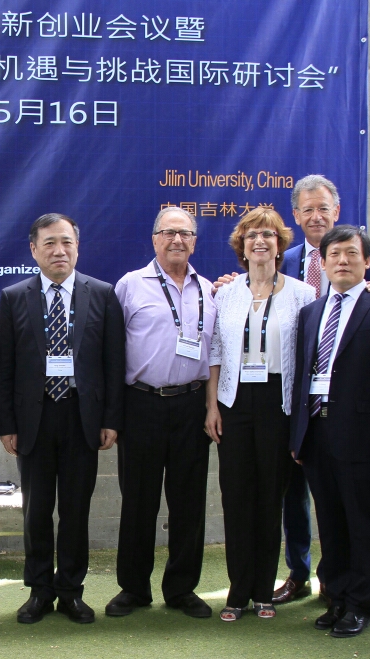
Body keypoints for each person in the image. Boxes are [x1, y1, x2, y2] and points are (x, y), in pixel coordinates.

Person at [0, 213, 125, 625]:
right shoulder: (14, 297)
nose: (59, 250)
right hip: (33, 420)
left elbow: (113, 363)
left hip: (81, 417)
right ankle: (39, 591)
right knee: (35, 511)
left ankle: (70, 591)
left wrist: (111, 418)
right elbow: (4, 366)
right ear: (34, 250)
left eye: (66, 242)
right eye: (49, 243)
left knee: (75, 510)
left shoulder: (101, 294)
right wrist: (6, 424)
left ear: (77, 247)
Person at [289, 225, 370, 638]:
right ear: (323, 263)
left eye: (351, 254)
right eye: (335, 255)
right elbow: (302, 377)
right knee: (330, 521)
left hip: (364, 437)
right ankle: (337, 597)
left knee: (362, 522)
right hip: (317, 434)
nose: (342, 261)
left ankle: (360, 603)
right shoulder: (310, 313)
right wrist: (299, 436)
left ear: (366, 261)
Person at [273, 174, 370, 605]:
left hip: (350, 409)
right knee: (296, 496)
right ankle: (299, 572)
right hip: (302, 401)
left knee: (348, 507)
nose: (316, 216)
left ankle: (348, 588)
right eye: (308, 209)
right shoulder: (286, 258)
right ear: (296, 215)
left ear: (336, 211)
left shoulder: (359, 257)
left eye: (324, 208)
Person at [107, 207, 216, 620]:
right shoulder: (130, 286)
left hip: (191, 405)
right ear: (154, 239)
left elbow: (215, 353)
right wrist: (113, 415)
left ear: (195, 242)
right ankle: (134, 588)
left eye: (185, 233)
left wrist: (210, 407)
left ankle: (182, 589)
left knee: (188, 502)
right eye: (168, 232)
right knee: (139, 501)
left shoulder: (210, 290)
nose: (177, 240)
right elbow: (111, 352)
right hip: (141, 404)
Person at [206, 208, 314, 621]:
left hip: (278, 402)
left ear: (280, 244)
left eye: (268, 235)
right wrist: (212, 406)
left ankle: (263, 591)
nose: (260, 241)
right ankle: (237, 592)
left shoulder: (303, 294)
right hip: (234, 402)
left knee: (271, 498)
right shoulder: (225, 293)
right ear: (242, 245)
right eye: (252, 235)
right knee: (236, 497)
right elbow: (216, 352)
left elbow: (307, 358)